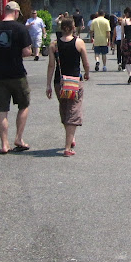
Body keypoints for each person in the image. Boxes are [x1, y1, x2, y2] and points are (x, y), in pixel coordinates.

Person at [0, 1, 32, 154]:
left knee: (1, 110)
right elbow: (27, 51)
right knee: (23, 105)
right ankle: (19, 138)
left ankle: (4, 144)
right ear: (16, 12)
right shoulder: (20, 28)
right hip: (17, 73)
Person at [46, 17, 91, 157]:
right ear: (73, 28)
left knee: (65, 109)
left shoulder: (54, 44)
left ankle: (71, 138)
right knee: (73, 111)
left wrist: (48, 85)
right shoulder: (79, 42)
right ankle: (67, 147)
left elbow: (51, 65)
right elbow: (86, 63)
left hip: (59, 82)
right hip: (75, 82)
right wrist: (87, 73)